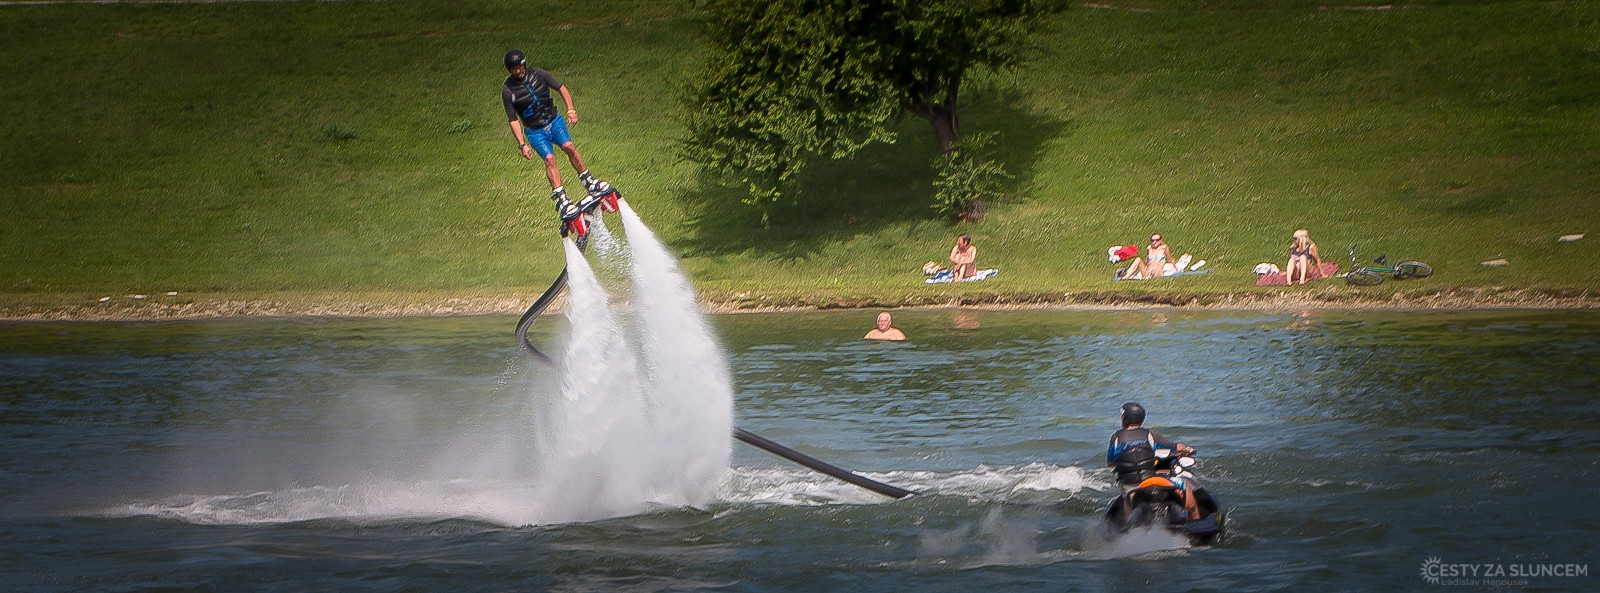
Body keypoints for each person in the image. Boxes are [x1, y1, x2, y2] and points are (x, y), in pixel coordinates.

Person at [501, 49, 614, 223]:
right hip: (535, 130)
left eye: (519, 66)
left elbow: (561, 88)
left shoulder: (538, 74)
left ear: (524, 64)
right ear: (509, 70)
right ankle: (561, 198)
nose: (518, 70)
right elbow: (513, 119)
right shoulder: (508, 90)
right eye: (513, 68)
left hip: (554, 121)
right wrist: (522, 144)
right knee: (549, 159)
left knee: (568, 146)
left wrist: (571, 109)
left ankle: (588, 180)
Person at [1106, 402, 1201, 519]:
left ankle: (1129, 528)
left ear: (1125, 419)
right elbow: (1177, 446)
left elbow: (1110, 462)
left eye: (1122, 416)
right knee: (1186, 485)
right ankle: (1195, 520)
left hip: (1129, 486)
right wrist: (1187, 449)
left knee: (1127, 503)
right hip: (1149, 481)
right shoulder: (1151, 434)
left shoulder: (1115, 437)